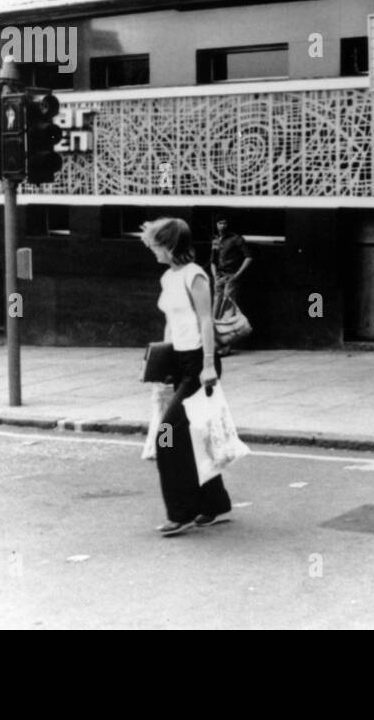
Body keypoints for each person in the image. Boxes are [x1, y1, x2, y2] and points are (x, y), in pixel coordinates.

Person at [141, 218, 233, 536]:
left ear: (169, 245)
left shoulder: (195, 275)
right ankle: (214, 504)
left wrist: (208, 364)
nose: (152, 251)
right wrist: (163, 365)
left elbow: (206, 320)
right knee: (192, 436)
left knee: (167, 434)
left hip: (199, 362)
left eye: (155, 245)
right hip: (179, 361)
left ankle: (180, 512)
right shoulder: (168, 277)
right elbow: (170, 322)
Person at [209, 213, 251, 355]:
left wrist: (237, 275)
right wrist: (214, 275)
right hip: (219, 278)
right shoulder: (215, 240)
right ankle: (215, 345)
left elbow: (249, 257)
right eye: (220, 223)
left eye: (225, 223)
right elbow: (213, 261)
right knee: (215, 310)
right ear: (216, 225)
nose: (223, 226)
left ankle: (226, 346)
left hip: (231, 277)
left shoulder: (236, 239)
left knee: (228, 310)